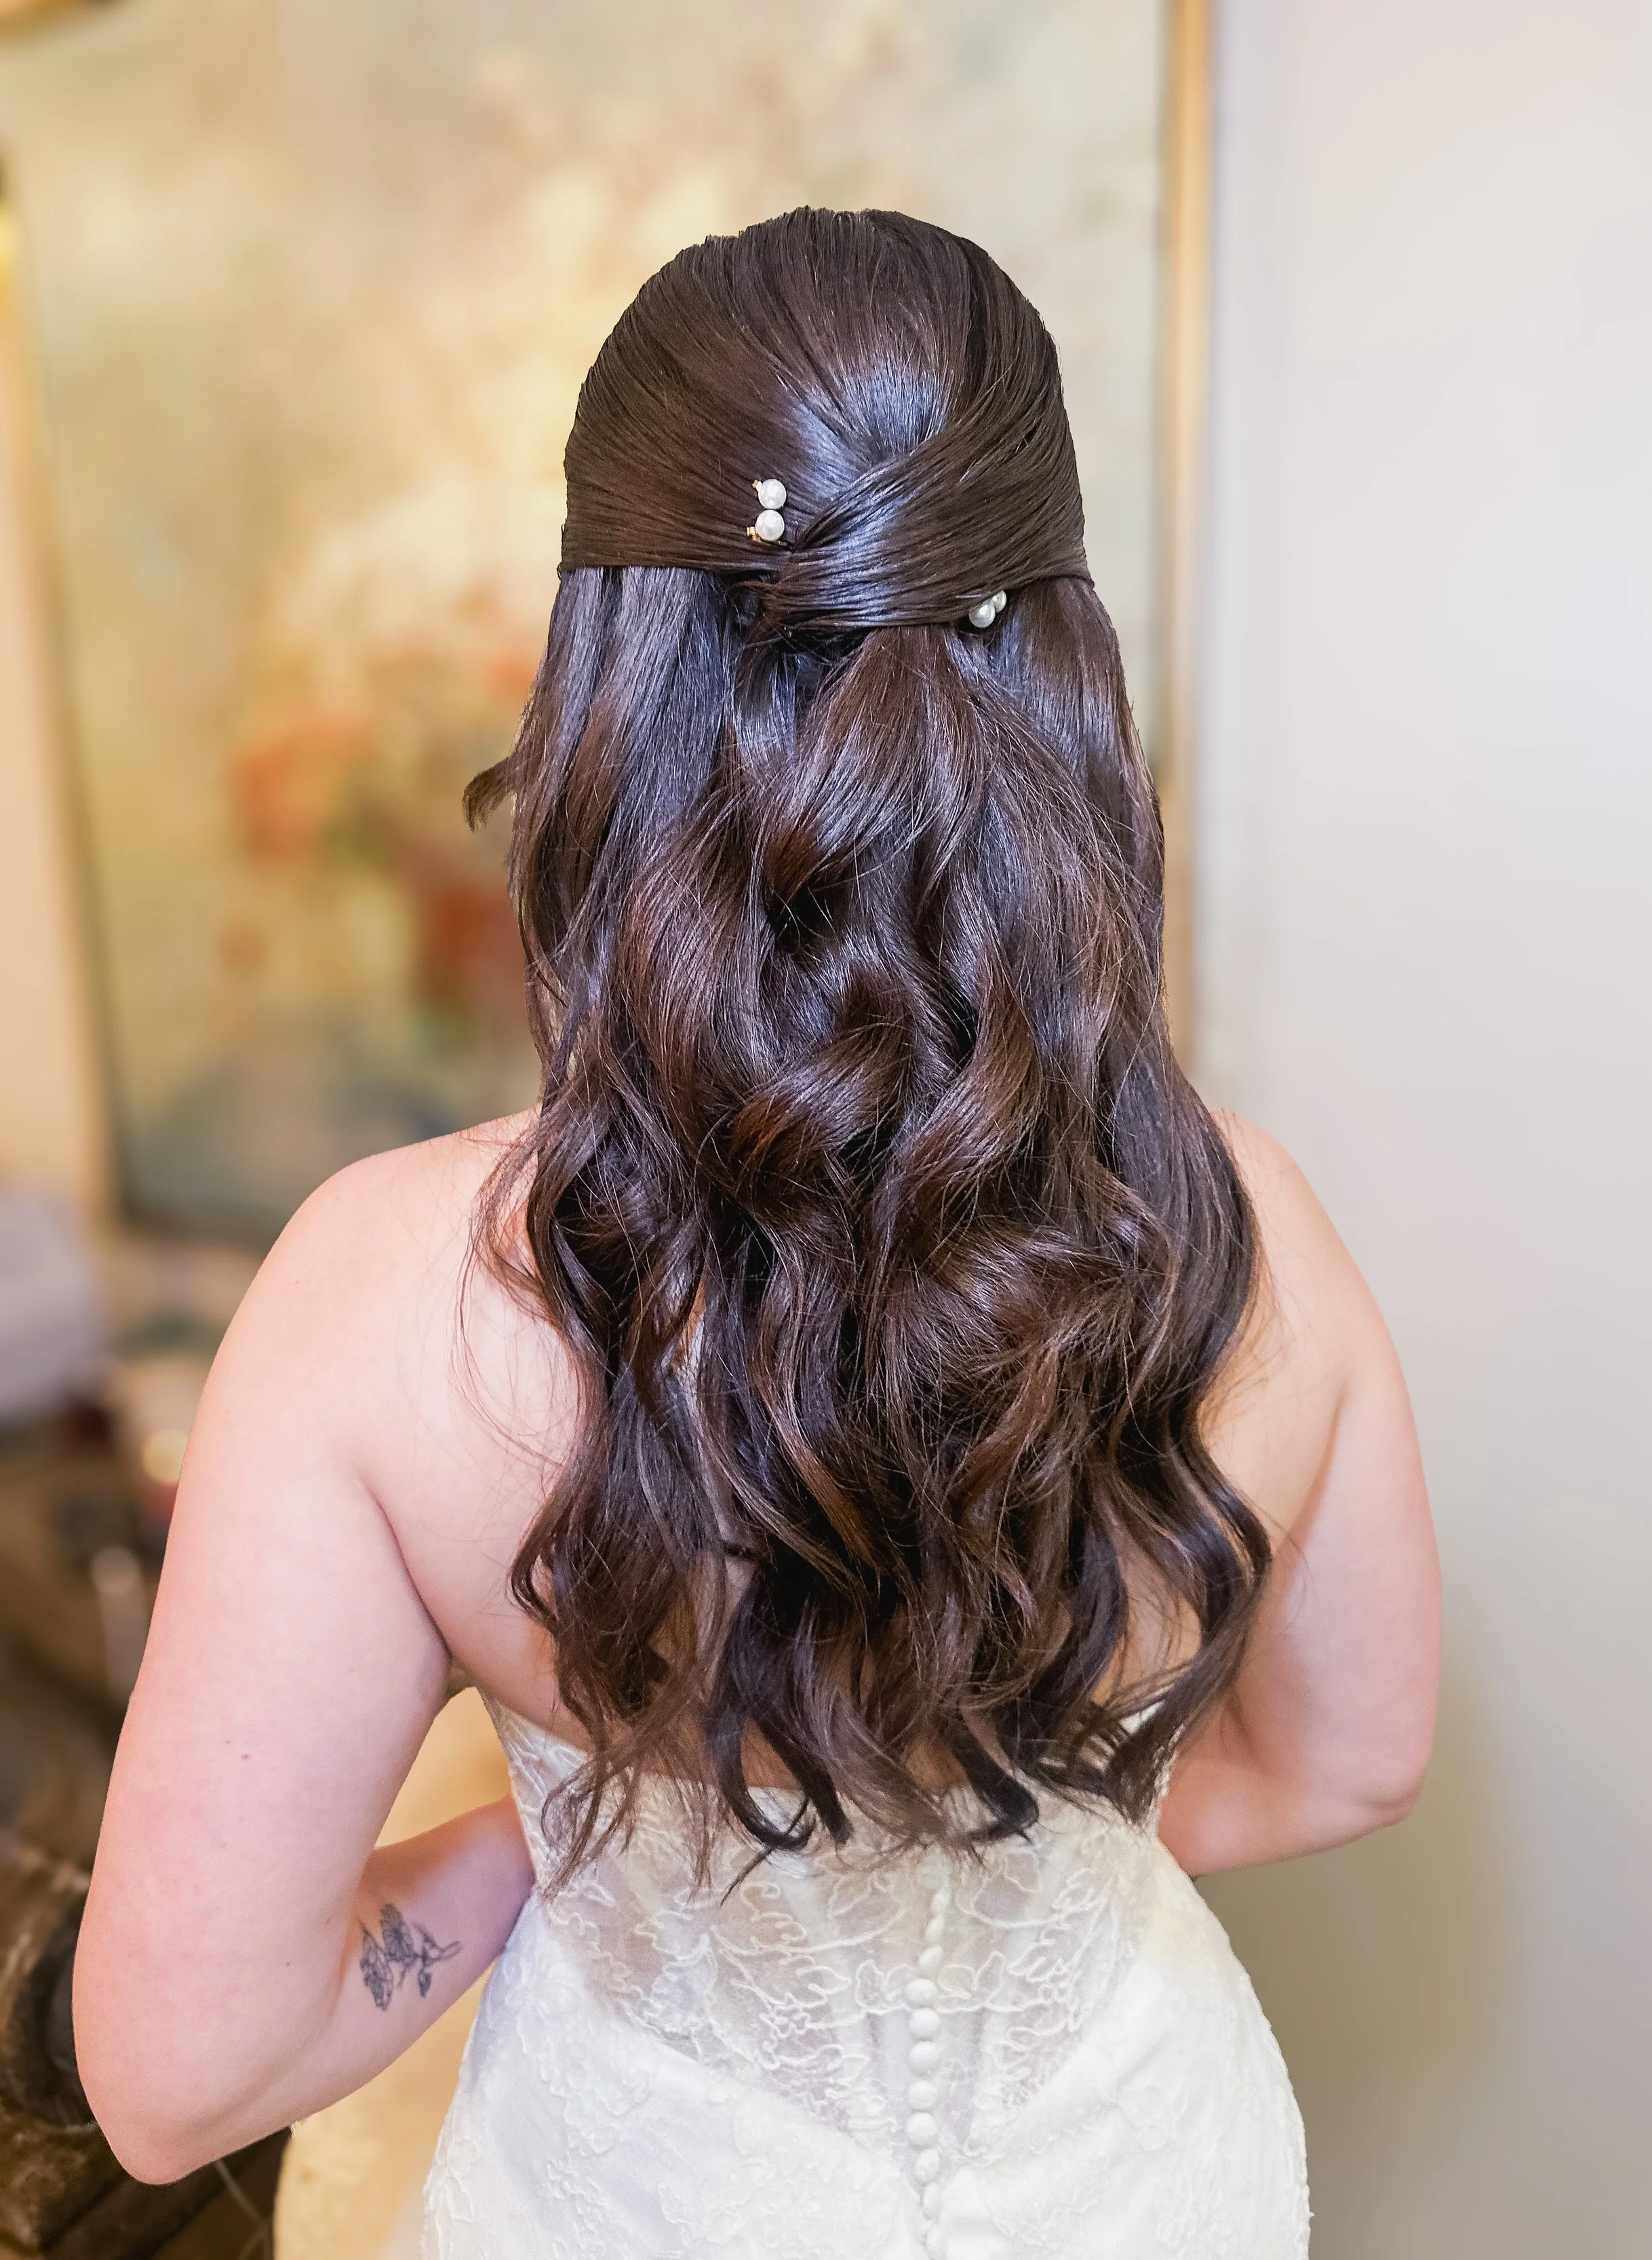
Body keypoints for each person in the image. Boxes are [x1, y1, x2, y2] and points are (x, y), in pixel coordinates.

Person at [74, 207, 1440, 2258]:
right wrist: (1023, 1858)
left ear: (606, 685)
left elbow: (179, 2075)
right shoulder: (1251, 1242)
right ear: (1061, 672)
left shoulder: (384, 1298)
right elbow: (1352, 1763)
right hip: (1143, 2177)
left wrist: (544, 1860)